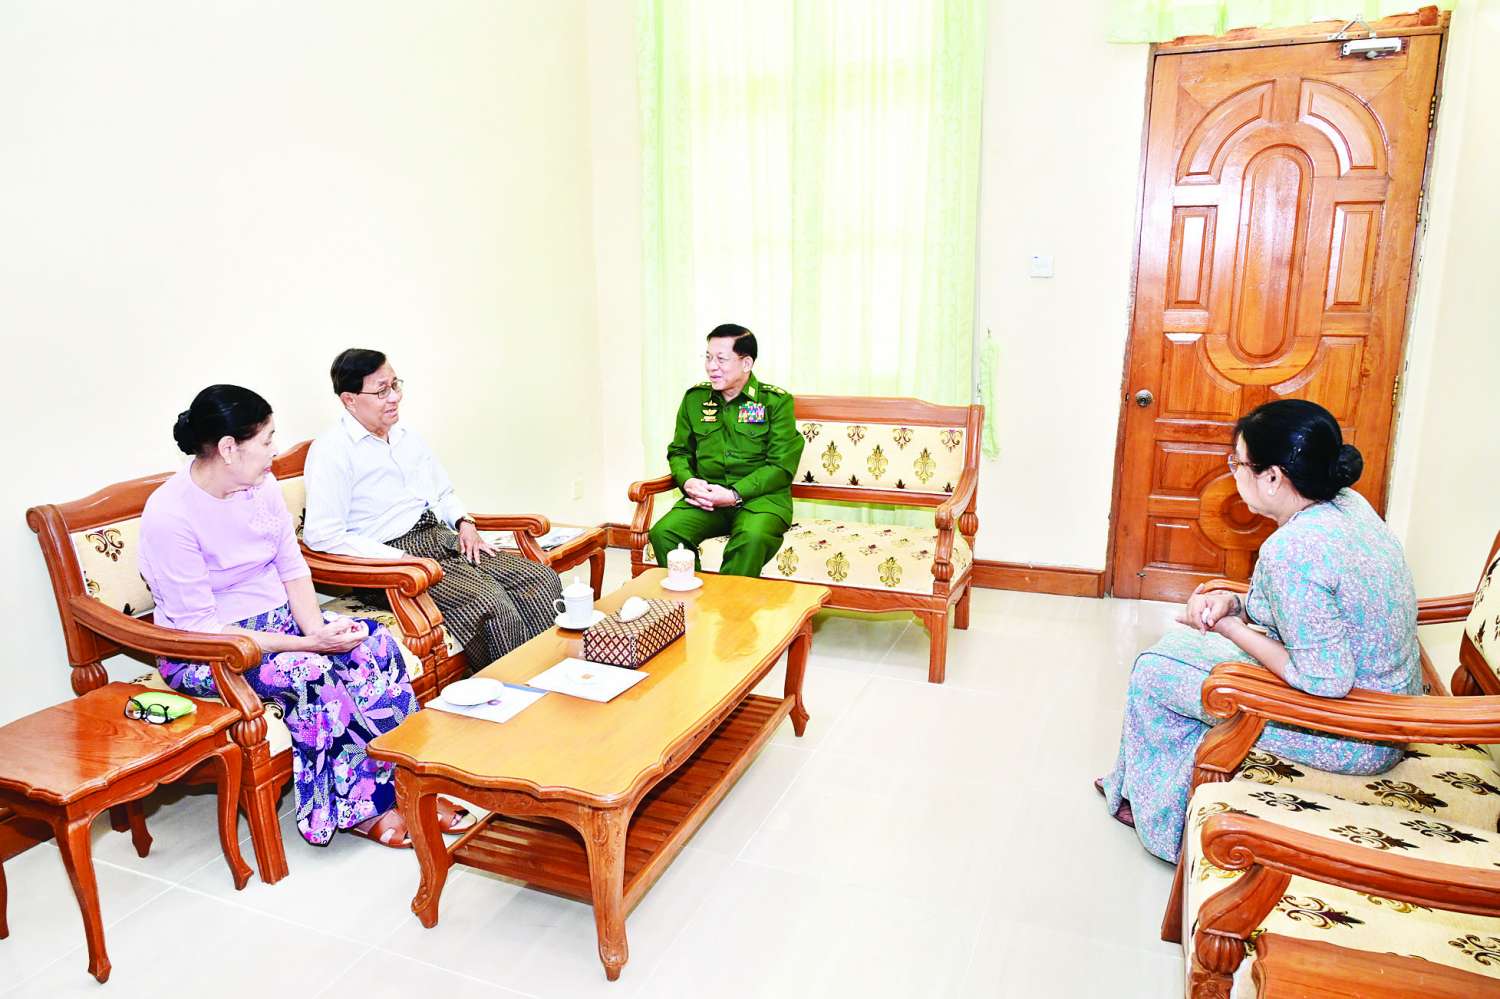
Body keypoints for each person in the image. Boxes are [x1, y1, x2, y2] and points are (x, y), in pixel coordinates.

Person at [140, 385, 467, 849]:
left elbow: (292, 566)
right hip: (208, 650)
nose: (274, 452)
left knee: (372, 643)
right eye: (267, 440)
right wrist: (308, 645)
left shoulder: (261, 486)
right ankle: (362, 809)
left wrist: (317, 628)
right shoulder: (170, 515)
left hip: (281, 627)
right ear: (229, 448)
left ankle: (413, 784)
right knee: (312, 672)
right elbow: (202, 627)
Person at [1100, 399, 1421, 863]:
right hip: (1386, 710)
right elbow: (1313, 611)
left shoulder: (1293, 549)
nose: (1233, 474)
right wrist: (1235, 603)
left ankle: (1166, 829)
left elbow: (1324, 680)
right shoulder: (1348, 506)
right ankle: (1144, 788)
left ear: (1272, 477)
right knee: (1179, 649)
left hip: (1353, 733)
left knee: (1155, 673)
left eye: (1238, 464)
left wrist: (1231, 627)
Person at [302, 349, 562, 669]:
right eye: (382, 391)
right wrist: (399, 559)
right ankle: (518, 684)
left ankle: (554, 672)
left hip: (439, 537)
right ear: (349, 400)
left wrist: (465, 522)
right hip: (391, 562)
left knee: (538, 579)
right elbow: (322, 535)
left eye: (395, 385)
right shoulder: (332, 451)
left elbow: (442, 493)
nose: (394, 397)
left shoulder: (406, 435)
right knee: (489, 602)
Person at [648, 324, 805, 578]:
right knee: (664, 532)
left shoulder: (774, 402)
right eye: (708, 357)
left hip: (761, 501)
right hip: (708, 501)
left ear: (746, 363)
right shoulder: (695, 400)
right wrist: (687, 481)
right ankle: (694, 597)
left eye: (721, 359)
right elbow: (679, 452)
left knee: (751, 537)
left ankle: (727, 603)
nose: (711, 366)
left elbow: (781, 467)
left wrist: (734, 494)